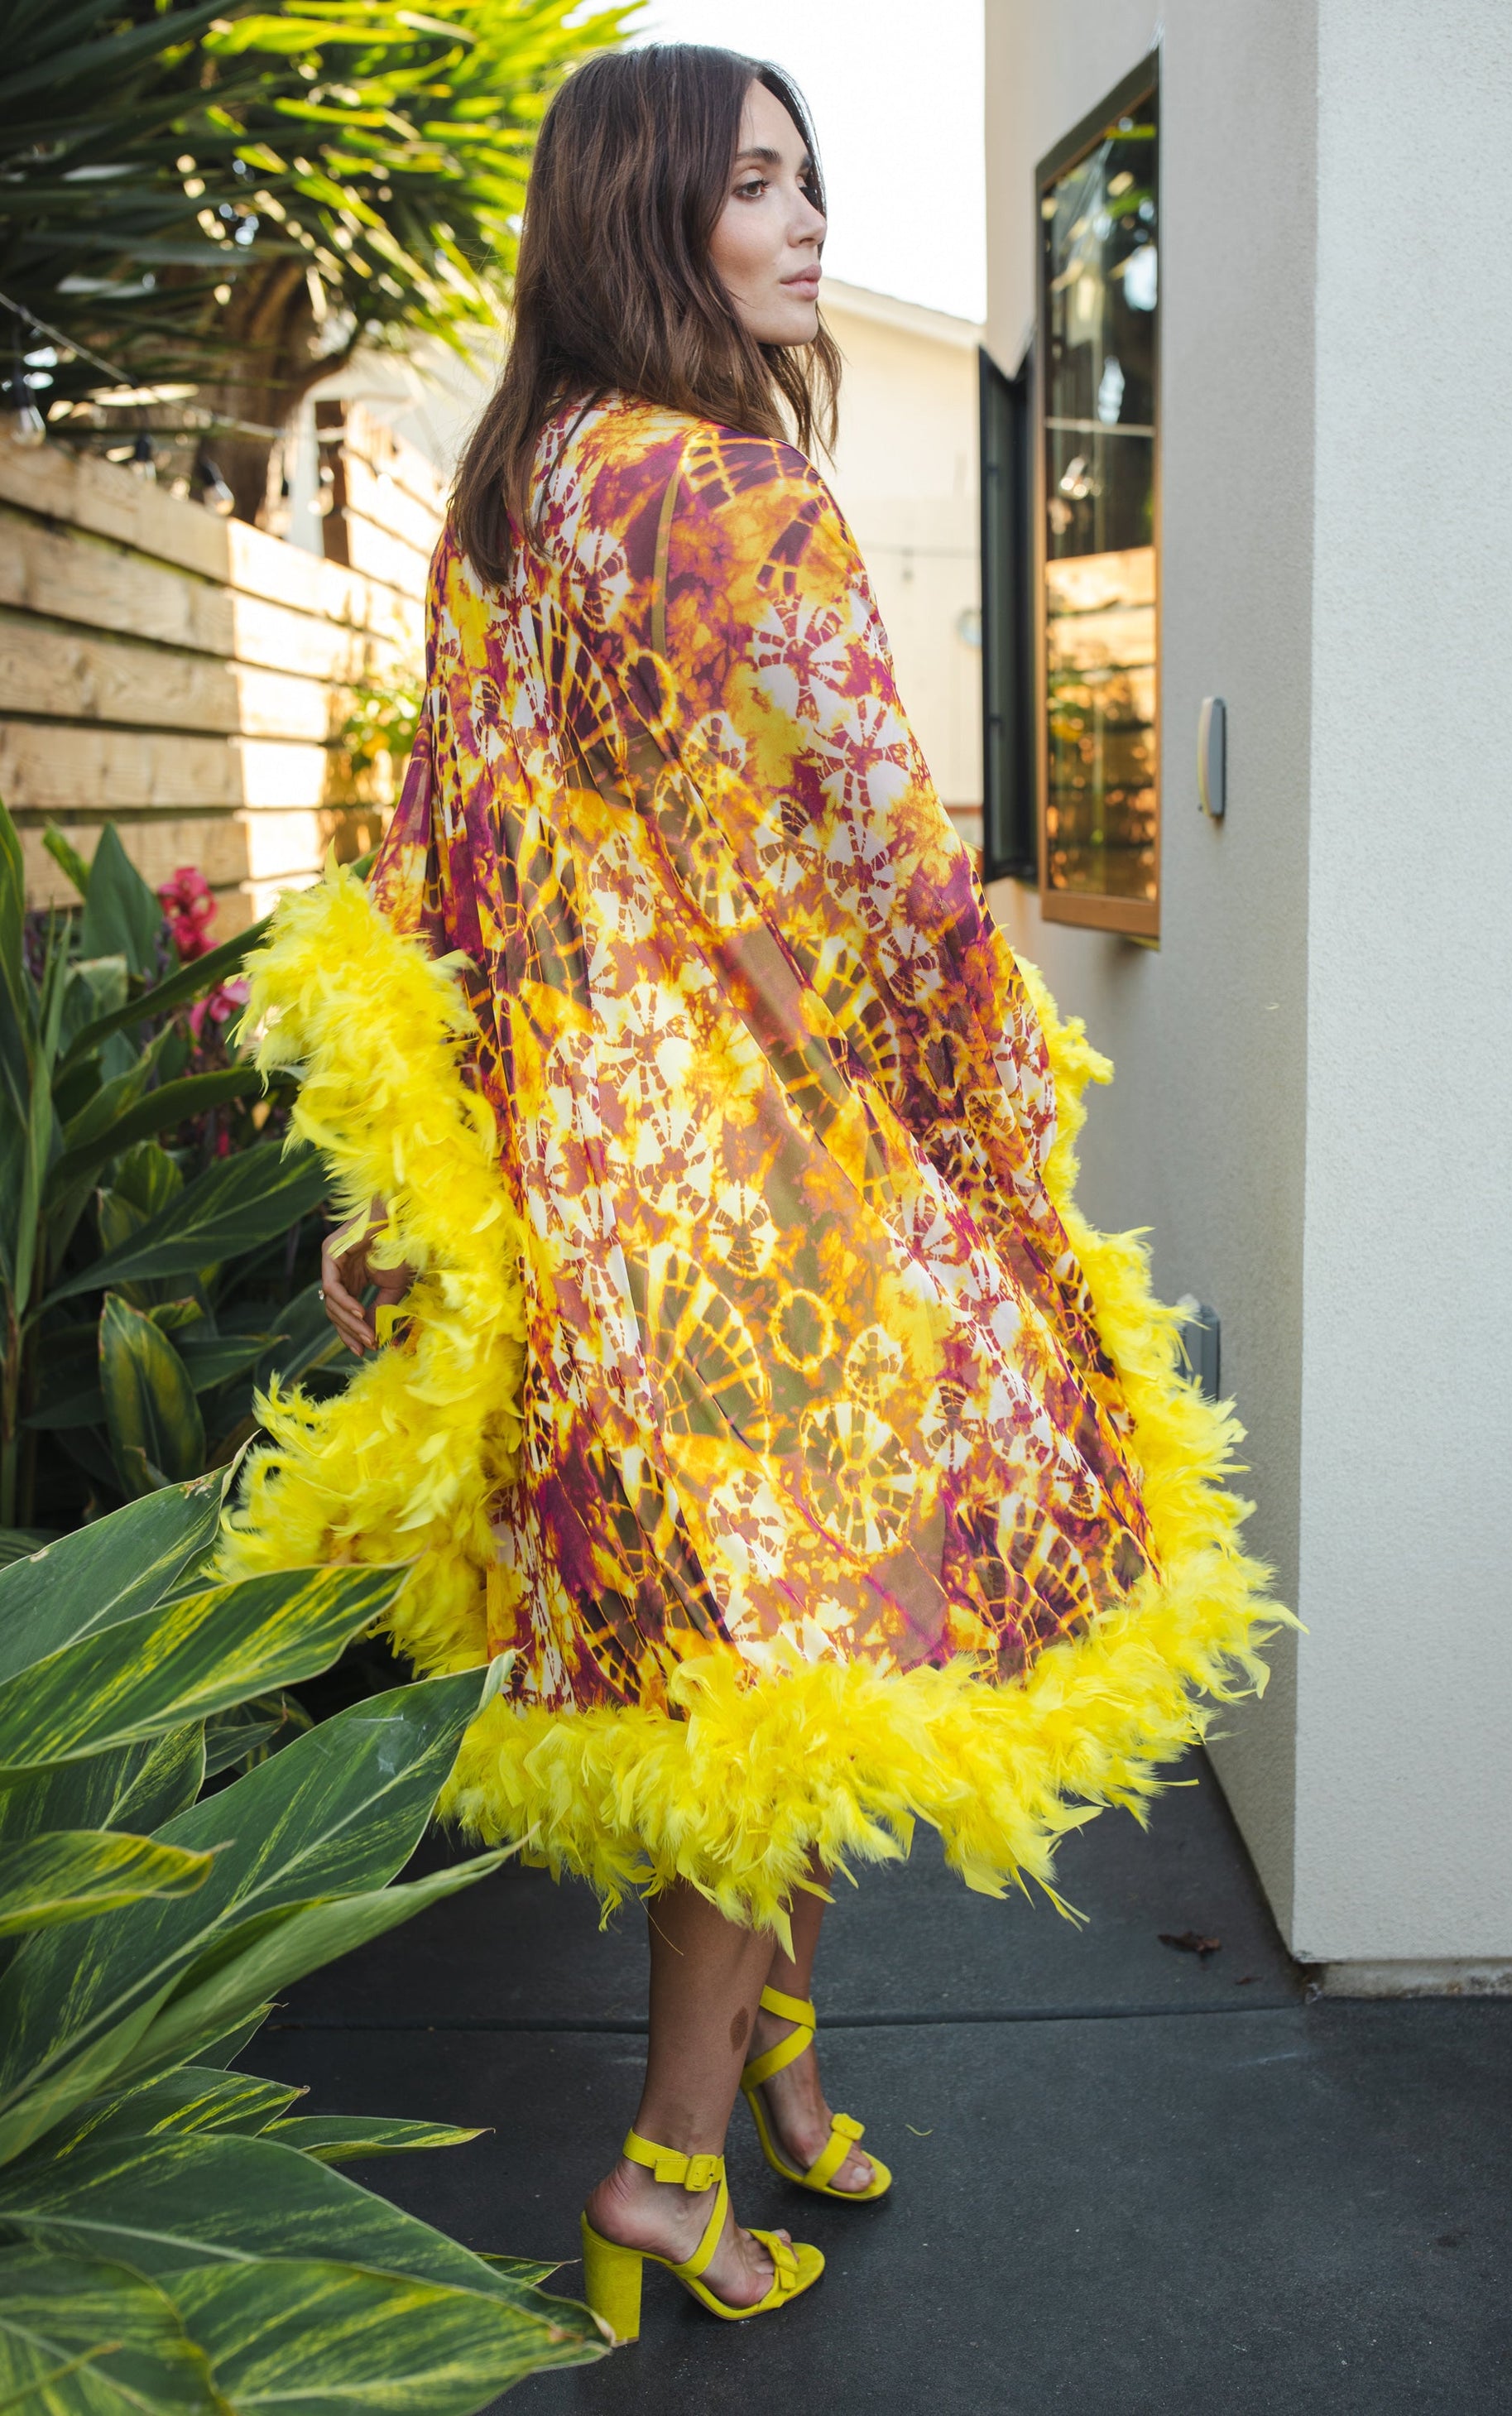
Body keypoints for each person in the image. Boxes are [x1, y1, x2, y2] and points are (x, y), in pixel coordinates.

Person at [222, 43, 1280, 2341]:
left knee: (758, 1656)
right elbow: (894, 869)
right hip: (761, 1185)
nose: (807, 227)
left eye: (809, 182)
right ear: (648, 222)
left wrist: (410, 1189)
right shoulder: (735, 494)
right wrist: (995, 1117)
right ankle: (669, 2169)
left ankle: (782, 2065)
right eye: (757, 188)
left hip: (584, 1192)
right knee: (789, 1667)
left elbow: (430, 871)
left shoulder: (509, 508)